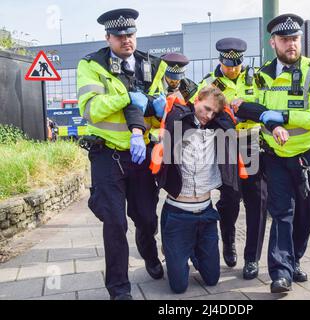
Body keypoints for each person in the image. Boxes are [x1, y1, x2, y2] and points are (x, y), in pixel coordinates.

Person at [235, 13, 310, 293]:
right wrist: (250, 109)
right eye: (284, 39)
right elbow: (248, 107)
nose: (291, 44)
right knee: (281, 212)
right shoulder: (262, 75)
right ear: (273, 42)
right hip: (275, 156)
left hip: (308, 155)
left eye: (294, 39)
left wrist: (283, 115)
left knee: (307, 214)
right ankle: (280, 273)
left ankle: (293, 260)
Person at [77, 8, 167, 300]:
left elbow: (155, 115)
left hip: (140, 155)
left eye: (130, 34)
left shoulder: (153, 65)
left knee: (145, 217)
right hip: (107, 154)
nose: (126, 40)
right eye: (119, 36)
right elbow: (90, 109)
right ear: (108, 37)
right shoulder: (91, 65)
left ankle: (150, 256)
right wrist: (127, 97)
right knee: (115, 222)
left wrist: (157, 109)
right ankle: (119, 288)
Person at [152, 86, 242, 293]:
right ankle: (175, 249)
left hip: (206, 215)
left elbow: (228, 123)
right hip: (177, 215)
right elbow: (176, 115)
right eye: (206, 108)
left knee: (212, 280)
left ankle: (193, 251)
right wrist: (181, 103)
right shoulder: (179, 123)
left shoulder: (215, 128)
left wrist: (221, 110)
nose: (208, 115)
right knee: (179, 287)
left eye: (213, 112)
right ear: (197, 100)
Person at [193, 38, 267, 280]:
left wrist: (247, 107)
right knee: (230, 200)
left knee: (256, 201)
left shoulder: (257, 79)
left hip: (251, 143)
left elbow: (267, 107)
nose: (232, 69)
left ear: (241, 61)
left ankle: (252, 258)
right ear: (220, 61)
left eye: (236, 65)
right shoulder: (209, 84)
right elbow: (202, 115)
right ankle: (228, 240)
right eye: (228, 65)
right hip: (224, 145)